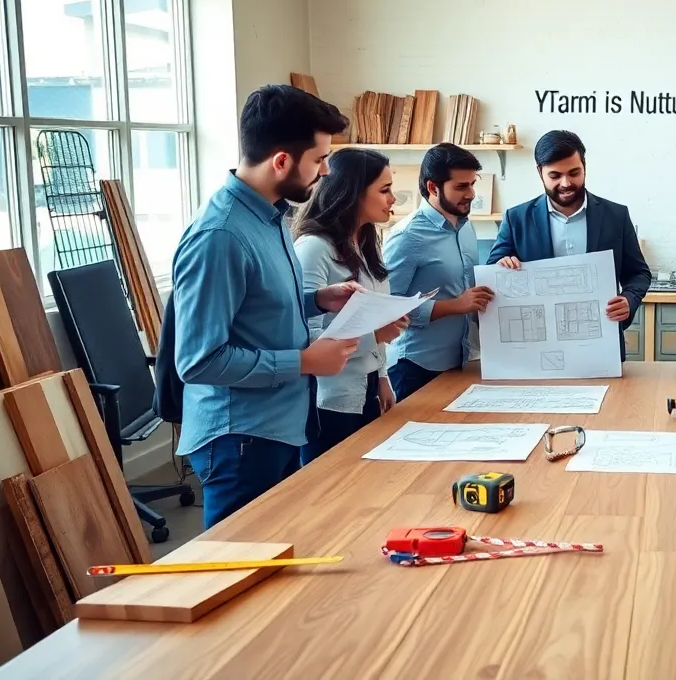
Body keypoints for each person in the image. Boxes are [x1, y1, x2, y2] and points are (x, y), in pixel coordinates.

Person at [172, 84, 361, 529]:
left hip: (276, 426)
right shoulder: (220, 235)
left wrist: (317, 300)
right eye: (319, 160)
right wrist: (304, 361)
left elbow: (256, 307)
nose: (326, 171)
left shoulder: (269, 215)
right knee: (237, 569)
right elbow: (199, 360)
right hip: (239, 438)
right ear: (281, 161)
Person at [487, 129, 651, 361]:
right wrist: (500, 266)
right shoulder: (517, 218)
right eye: (555, 176)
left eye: (574, 173)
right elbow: (492, 272)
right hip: (535, 350)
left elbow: (639, 273)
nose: (566, 183)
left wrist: (629, 300)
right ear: (539, 173)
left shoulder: (616, 215)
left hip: (600, 343)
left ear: (584, 166)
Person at [291, 147, 409, 465]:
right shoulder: (313, 249)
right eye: (384, 190)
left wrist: (382, 376)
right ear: (352, 194)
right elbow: (305, 339)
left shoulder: (367, 242)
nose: (393, 199)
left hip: (369, 385)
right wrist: (375, 336)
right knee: (327, 487)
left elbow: (374, 312)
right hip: (328, 400)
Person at [384, 143, 495, 399]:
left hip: (461, 361)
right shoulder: (406, 236)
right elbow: (387, 307)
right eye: (460, 187)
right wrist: (456, 305)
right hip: (415, 367)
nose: (470, 194)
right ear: (433, 187)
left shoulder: (467, 228)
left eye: (472, 184)